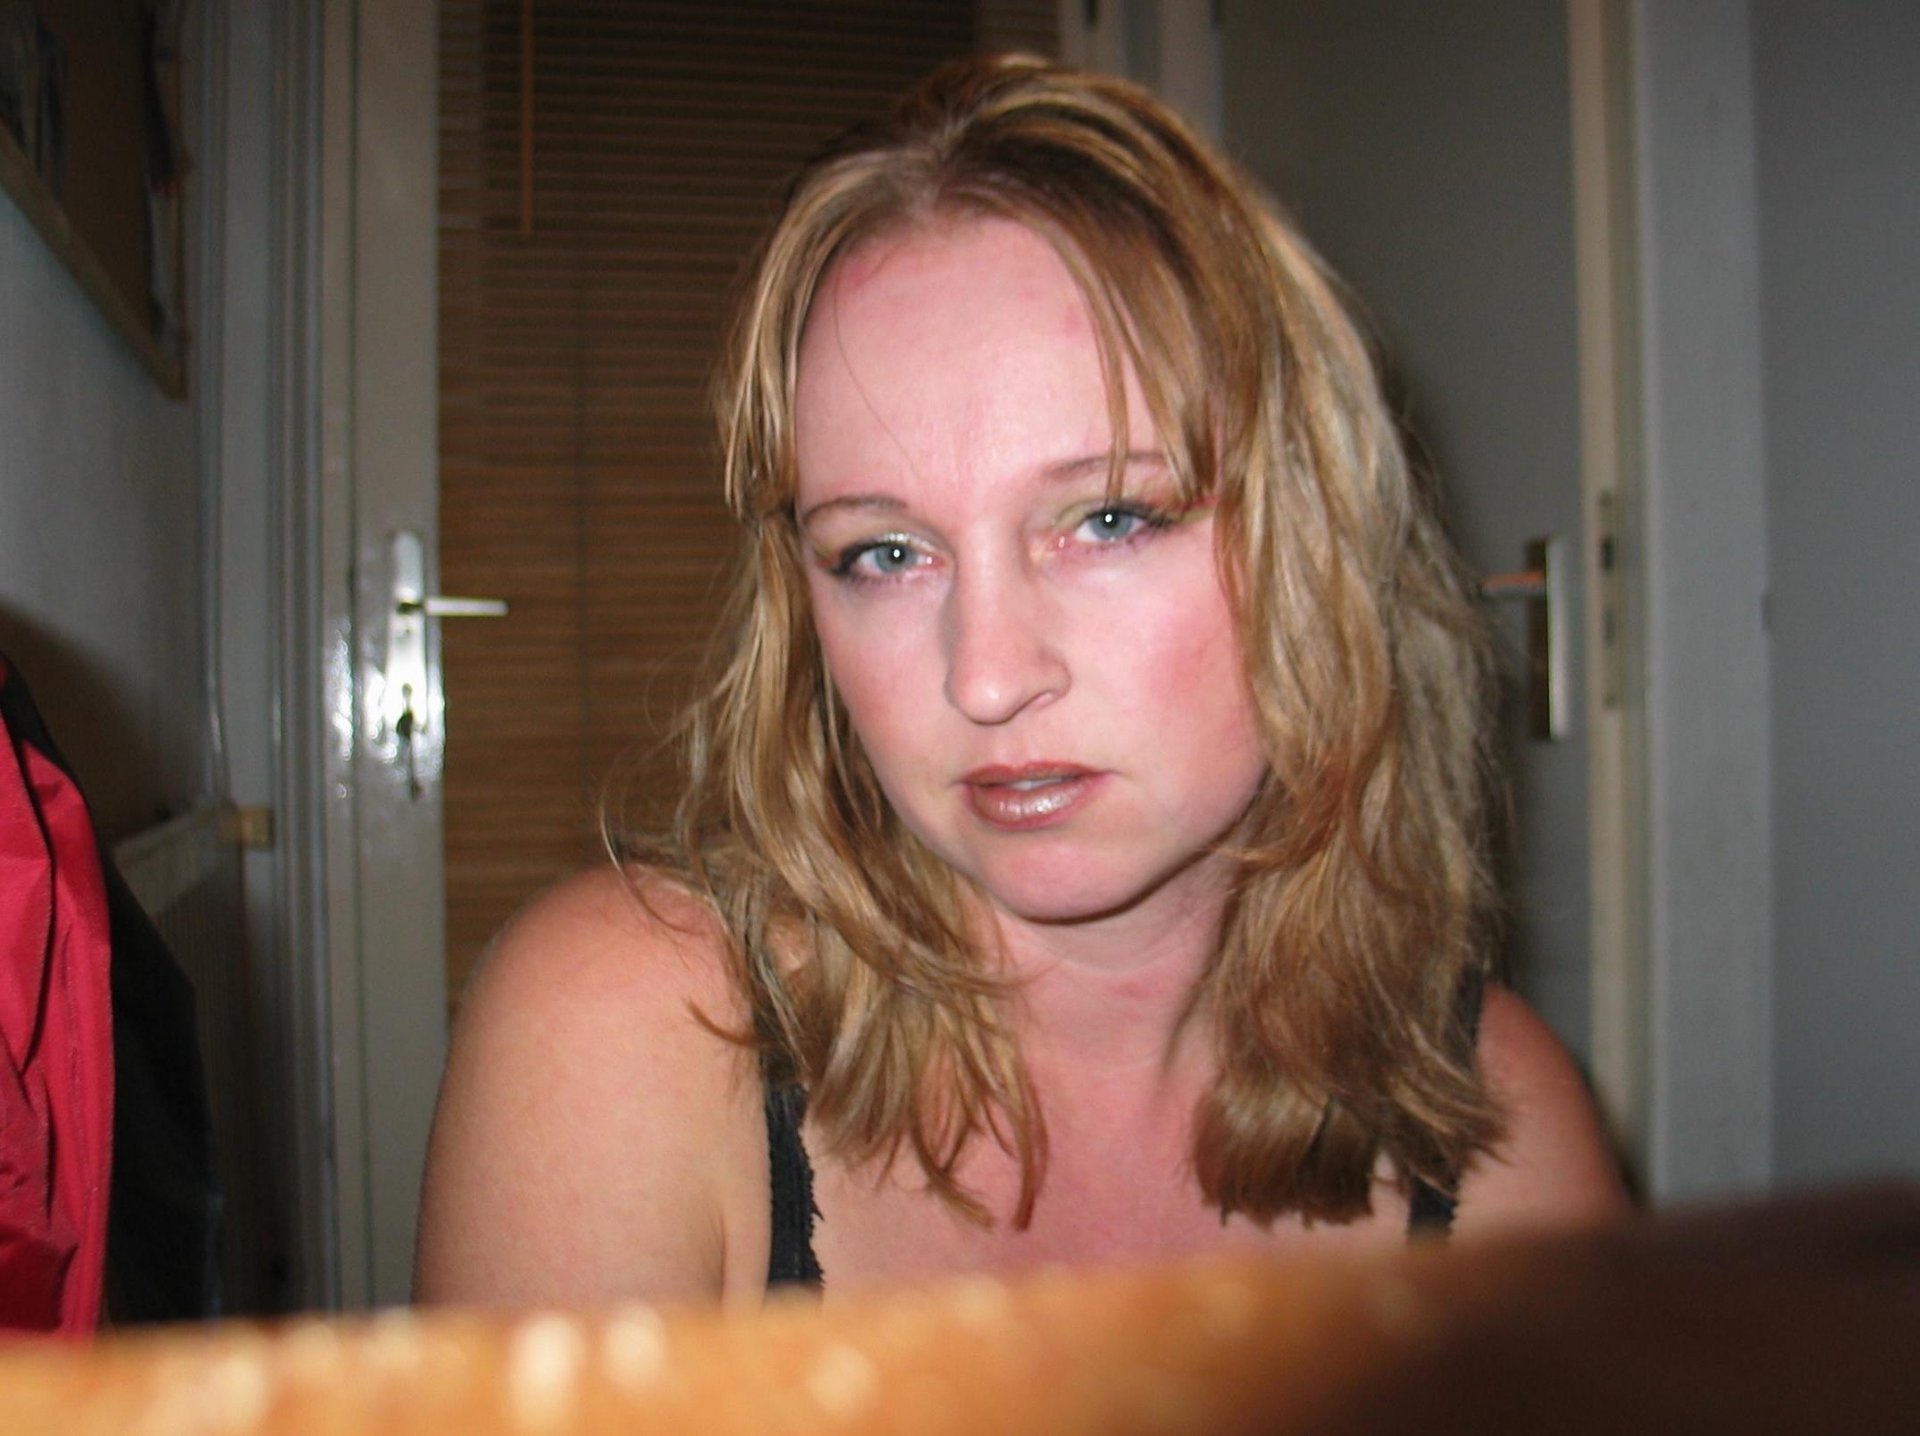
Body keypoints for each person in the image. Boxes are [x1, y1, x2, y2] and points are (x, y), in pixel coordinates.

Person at [414, 54, 1627, 1309]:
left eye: (1109, 518)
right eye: (886, 553)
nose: (986, 679)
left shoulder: (1502, 1135)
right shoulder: (626, 1034)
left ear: (1315, 541)